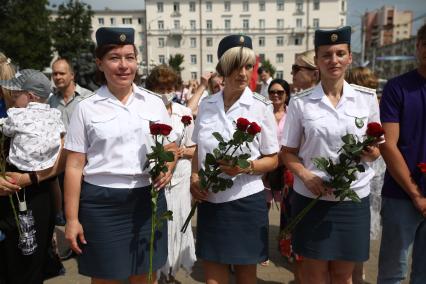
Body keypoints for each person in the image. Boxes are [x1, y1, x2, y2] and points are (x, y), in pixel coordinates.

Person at [64, 27, 177, 284]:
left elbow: (169, 147)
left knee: (144, 275)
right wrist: (71, 219)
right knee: (106, 278)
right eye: (114, 58)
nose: (124, 65)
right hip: (102, 205)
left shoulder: (154, 103)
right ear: (100, 63)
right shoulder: (86, 108)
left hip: (147, 201)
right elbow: (74, 165)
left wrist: (168, 167)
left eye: (130, 57)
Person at [280, 26, 381, 283]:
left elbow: (377, 150)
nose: (333, 60)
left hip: (352, 200)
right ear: (316, 61)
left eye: (339, 53)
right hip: (312, 197)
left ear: (349, 57)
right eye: (326, 54)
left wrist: (370, 152)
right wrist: (305, 175)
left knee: (343, 275)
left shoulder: (366, 99)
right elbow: (287, 153)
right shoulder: (300, 102)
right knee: (314, 275)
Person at [191, 34, 279, 284]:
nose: (243, 73)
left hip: (245, 201)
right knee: (213, 278)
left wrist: (245, 167)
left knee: (245, 276)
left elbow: (273, 159)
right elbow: (198, 148)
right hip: (210, 200)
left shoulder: (261, 106)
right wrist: (195, 177)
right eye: (236, 66)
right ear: (222, 68)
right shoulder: (207, 105)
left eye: (248, 66)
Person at [0, 66, 67, 284]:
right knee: (32, 260)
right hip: (42, 194)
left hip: (23, 193)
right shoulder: (55, 117)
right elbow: (61, 157)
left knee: (21, 261)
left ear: (29, 96)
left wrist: (29, 178)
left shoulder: (16, 116)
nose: (11, 97)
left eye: (16, 94)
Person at [377, 23, 426, 284]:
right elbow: (388, 145)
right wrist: (416, 194)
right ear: (417, 47)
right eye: (425, 43)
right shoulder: (398, 88)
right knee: (392, 272)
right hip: (400, 194)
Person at [145, 65, 196, 282]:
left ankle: (172, 271)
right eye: (160, 87)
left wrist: (183, 151)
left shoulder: (184, 113)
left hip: (181, 178)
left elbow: (195, 148)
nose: (165, 91)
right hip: (155, 178)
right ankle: (156, 271)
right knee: (159, 224)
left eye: (169, 87)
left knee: (178, 224)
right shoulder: (145, 113)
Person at [346, 66, 384, 284]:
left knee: (360, 234)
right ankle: (357, 274)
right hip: (366, 176)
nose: (372, 93)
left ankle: (357, 274)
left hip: (369, 176)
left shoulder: (373, 108)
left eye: (373, 88)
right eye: (368, 87)